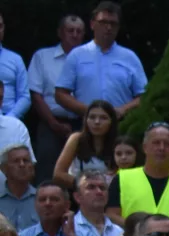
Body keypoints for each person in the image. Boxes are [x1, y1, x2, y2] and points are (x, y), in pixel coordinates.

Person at [53, 3, 144, 120]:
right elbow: (60, 94)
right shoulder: (77, 55)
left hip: (120, 124)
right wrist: (90, 111)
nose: (108, 27)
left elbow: (144, 96)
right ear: (92, 24)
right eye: (103, 22)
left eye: (113, 23)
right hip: (85, 124)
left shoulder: (130, 57)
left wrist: (123, 110)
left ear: (118, 27)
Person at [28, 15, 87, 181]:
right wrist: (53, 123)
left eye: (79, 31)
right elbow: (36, 95)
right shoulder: (42, 57)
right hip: (51, 122)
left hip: (84, 123)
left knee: (84, 173)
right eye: (70, 30)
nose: (75, 35)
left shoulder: (91, 59)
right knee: (47, 170)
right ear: (60, 33)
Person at [108, 123, 169, 228]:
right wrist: (139, 229)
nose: (161, 148)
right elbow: (111, 214)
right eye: (156, 143)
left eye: (167, 144)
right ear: (145, 147)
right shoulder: (122, 178)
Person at [52, 99, 116, 189]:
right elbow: (58, 174)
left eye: (103, 118)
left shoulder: (117, 143)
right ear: (86, 120)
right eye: (92, 117)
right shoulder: (76, 139)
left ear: (112, 122)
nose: (97, 122)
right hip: (79, 193)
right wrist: (85, 185)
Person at [72, 167, 118, 236]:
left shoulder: (118, 231)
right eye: (91, 187)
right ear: (78, 197)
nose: (99, 192)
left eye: (102, 187)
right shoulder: (70, 229)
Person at [0, 144, 35, 231]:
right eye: (16, 161)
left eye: (26, 161)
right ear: (4, 168)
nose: (22, 165)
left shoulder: (43, 200)